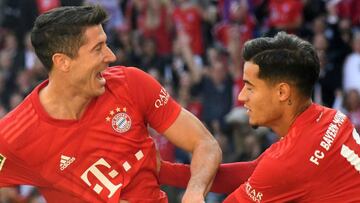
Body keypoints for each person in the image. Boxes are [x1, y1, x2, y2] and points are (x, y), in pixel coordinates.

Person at [0, 5, 222, 203]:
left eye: (107, 44)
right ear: (62, 62)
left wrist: (194, 191)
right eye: (98, 48)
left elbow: (205, 143)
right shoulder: (13, 135)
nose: (111, 56)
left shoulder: (131, 84)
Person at [159, 32, 360, 202]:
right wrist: (163, 171)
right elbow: (254, 172)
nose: (241, 96)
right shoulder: (330, 117)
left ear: (282, 92)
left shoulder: (288, 163)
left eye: (250, 87)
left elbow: (270, 173)